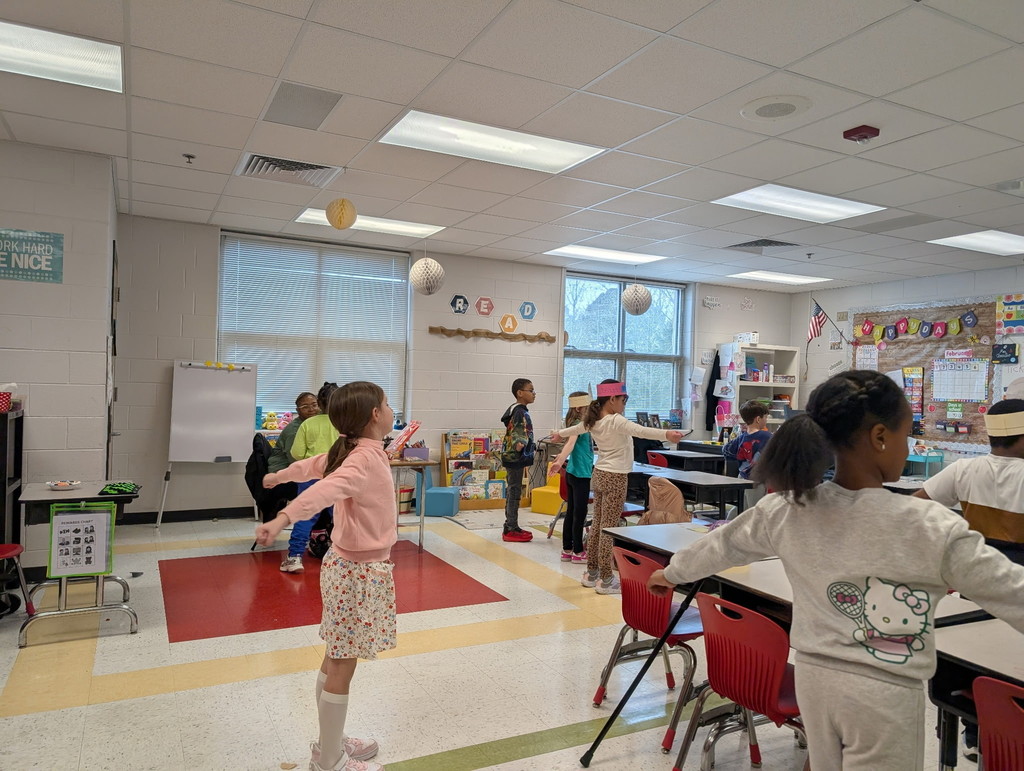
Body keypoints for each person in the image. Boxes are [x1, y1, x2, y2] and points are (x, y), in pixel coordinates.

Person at [645, 370, 1024, 771]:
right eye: (905, 434)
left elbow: (721, 545)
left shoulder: (787, 508)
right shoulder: (929, 526)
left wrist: (669, 574)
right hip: (885, 694)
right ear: (880, 437)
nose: (907, 445)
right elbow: (1012, 592)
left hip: (814, 679)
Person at [257, 381, 396, 771]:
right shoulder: (361, 458)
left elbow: (312, 466)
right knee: (341, 662)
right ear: (374, 415)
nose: (389, 409)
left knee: (335, 655)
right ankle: (330, 760)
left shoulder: (354, 450)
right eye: (386, 404)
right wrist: (284, 516)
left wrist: (278, 475)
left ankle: (328, 742)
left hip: (351, 567)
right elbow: (324, 489)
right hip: (357, 571)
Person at [913, 397, 1024, 759]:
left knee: (974, 667)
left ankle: (975, 735)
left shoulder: (964, 470)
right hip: (1018, 596)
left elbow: (914, 510)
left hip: (974, 589)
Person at [552, 380, 683, 594]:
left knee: (597, 526)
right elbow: (641, 431)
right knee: (609, 528)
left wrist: (559, 433)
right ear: (612, 399)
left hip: (600, 474)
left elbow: (574, 429)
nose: (624, 405)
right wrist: (667, 435)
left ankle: (591, 573)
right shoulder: (616, 421)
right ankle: (605, 579)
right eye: (623, 400)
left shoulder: (594, 420)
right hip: (615, 477)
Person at [280, 382, 339, 572]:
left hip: (310, 477)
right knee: (339, 517)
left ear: (319, 403)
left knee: (305, 517)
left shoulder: (307, 424)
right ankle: (341, 555)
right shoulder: (343, 424)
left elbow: (297, 453)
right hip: (336, 477)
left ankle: (295, 557)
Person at [547, 391, 593, 563]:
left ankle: (567, 549)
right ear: (581, 407)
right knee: (579, 514)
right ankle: (578, 552)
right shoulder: (578, 424)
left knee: (572, 512)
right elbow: (571, 443)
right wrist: (560, 460)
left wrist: (560, 460)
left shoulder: (577, 423)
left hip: (574, 472)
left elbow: (568, 444)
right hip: (580, 473)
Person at [499, 378, 536, 543]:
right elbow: (520, 432)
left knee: (513, 489)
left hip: (512, 456)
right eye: (531, 390)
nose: (534, 394)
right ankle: (511, 527)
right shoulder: (520, 411)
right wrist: (520, 445)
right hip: (515, 457)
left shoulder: (515, 410)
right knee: (514, 491)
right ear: (520, 393)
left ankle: (511, 524)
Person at [723, 399, 772, 508]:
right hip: (756, 480)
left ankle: (726, 524)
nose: (766, 420)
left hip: (741, 476)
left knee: (741, 507)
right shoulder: (766, 436)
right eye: (765, 417)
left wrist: (738, 459)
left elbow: (726, 450)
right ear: (758, 419)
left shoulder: (742, 437)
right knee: (755, 509)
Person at [267, 392, 319, 473]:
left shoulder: (312, 423)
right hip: (281, 471)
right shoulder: (294, 431)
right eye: (305, 407)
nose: (311, 409)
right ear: (298, 411)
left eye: (314, 405)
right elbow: (295, 459)